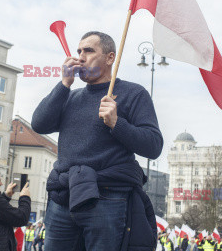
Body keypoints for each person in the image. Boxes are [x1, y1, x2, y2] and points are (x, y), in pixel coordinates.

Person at [32, 31, 163, 251]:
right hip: (64, 196)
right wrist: (64, 84)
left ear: (110, 58)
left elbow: (153, 146)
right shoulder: (70, 97)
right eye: (79, 51)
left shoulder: (133, 93)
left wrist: (116, 123)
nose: (81, 57)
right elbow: (39, 124)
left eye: (89, 50)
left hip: (108, 197)